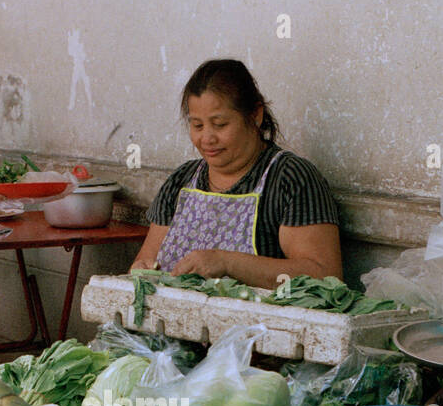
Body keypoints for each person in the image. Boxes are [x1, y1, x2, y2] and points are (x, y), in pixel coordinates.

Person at [130, 59, 343, 287]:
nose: (207, 138)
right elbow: (145, 261)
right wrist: (142, 271)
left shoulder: (289, 178)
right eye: (198, 126)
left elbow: (325, 277)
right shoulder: (181, 181)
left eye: (220, 124)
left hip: (258, 323)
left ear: (255, 116)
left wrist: (228, 263)